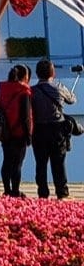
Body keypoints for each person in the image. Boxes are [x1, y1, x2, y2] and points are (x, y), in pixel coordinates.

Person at [30, 58, 77, 200]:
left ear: (37, 73)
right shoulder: (59, 87)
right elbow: (72, 100)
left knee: (41, 163)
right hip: (57, 130)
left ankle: (43, 193)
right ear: (53, 73)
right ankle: (62, 193)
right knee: (59, 162)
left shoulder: (32, 91)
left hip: (38, 130)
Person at [0, 64, 33, 197]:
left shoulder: (2, 90)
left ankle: (7, 189)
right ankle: (15, 191)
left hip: (5, 133)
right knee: (17, 163)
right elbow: (26, 116)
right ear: (25, 77)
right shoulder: (24, 92)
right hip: (19, 133)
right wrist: (29, 135)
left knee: (6, 161)